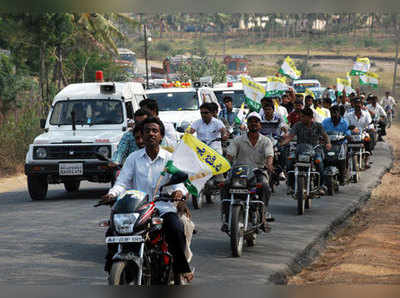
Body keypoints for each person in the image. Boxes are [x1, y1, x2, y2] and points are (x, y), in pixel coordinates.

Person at [100, 117, 194, 283]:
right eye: (147, 131)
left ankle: (181, 269)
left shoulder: (169, 159)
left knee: (175, 228)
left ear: (160, 136)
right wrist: (113, 194)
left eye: (155, 131)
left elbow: (180, 184)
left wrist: (178, 192)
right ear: (141, 136)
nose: (151, 134)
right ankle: (111, 269)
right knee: (112, 231)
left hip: (162, 208)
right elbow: (122, 182)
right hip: (137, 209)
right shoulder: (133, 158)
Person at [224, 112, 275, 229]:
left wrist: (269, 165)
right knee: (226, 185)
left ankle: (263, 215)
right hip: (240, 173)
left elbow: (269, 156)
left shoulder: (266, 141)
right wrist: (225, 165)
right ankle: (227, 217)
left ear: (260, 125)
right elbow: (230, 156)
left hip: (259, 172)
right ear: (247, 124)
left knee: (265, 186)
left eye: (256, 121)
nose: (253, 124)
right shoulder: (238, 140)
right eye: (251, 121)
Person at [280, 108, 332, 195]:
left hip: (315, 149)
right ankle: (290, 184)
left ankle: (321, 185)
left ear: (310, 117)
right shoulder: (297, 125)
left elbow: (325, 136)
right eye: (301, 116)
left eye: (303, 116)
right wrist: (283, 143)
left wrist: (328, 143)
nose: (301, 118)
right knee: (289, 161)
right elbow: (290, 136)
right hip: (300, 148)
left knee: (319, 163)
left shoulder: (318, 125)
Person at [322, 105, 351, 185]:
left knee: (342, 159)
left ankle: (343, 176)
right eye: (332, 112)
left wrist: (348, 135)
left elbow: (348, 132)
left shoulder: (344, 122)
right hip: (328, 144)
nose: (334, 114)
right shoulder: (325, 121)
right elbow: (321, 130)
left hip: (341, 144)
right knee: (322, 159)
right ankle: (320, 179)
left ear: (339, 113)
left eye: (336, 112)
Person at [344, 97, 374, 168]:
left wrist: (371, 128)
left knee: (368, 138)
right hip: (351, 135)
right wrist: (350, 128)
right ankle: (346, 161)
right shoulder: (348, 115)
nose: (357, 105)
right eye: (356, 104)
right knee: (344, 143)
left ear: (361, 104)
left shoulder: (366, 114)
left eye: (359, 103)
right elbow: (346, 125)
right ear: (353, 105)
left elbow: (370, 124)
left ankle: (366, 159)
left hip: (363, 133)